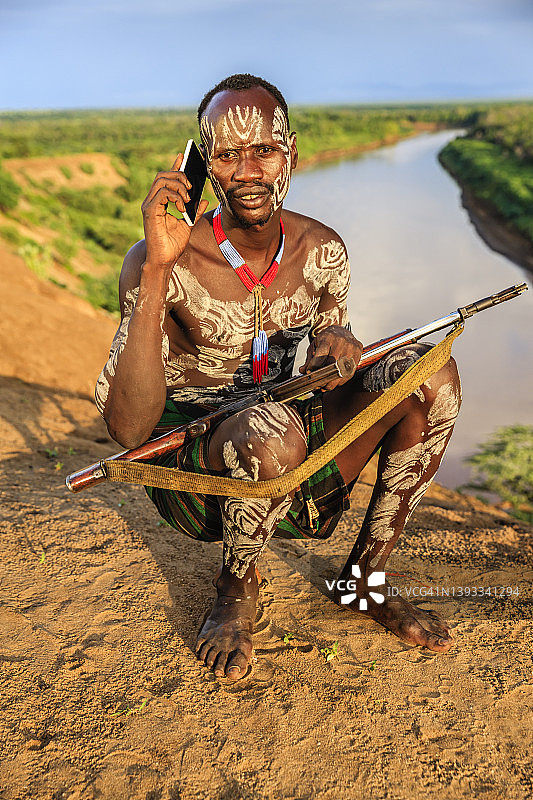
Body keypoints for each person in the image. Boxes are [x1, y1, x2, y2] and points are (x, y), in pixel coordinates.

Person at [95, 74, 462, 682]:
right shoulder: (161, 258)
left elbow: (324, 380)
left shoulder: (323, 250)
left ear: (290, 153)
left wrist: (335, 353)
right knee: (267, 432)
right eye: (227, 154)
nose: (247, 170)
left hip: (296, 449)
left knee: (433, 375)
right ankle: (237, 589)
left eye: (263, 150)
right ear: (201, 165)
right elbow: (129, 428)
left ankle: (364, 581)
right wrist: (157, 267)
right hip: (199, 470)